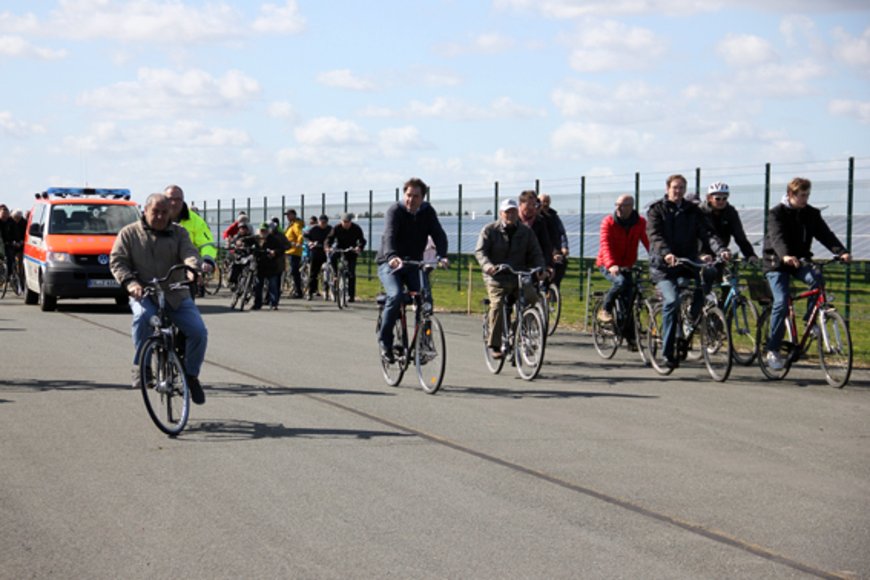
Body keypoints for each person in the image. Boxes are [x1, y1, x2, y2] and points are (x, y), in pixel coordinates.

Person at [109, 194, 208, 404]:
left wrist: (192, 269)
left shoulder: (179, 233)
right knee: (144, 317)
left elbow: (190, 253)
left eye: (165, 212)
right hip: (144, 293)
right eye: (156, 212)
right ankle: (142, 368)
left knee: (198, 331)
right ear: (145, 210)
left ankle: (190, 376)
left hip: (175, 293)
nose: (161, 216)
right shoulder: (129, 233)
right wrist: (130, 283)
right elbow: (118, 261)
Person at [762, 177, 850, 370]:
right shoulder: (776, 213)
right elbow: (777, 238)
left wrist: (841, 252)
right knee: (782, 301)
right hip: (777, 263)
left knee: (817, 279)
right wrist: (785, 256)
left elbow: (825, 235)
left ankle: (810, 323)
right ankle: (773, 349)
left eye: (807, 195)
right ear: (791, 194)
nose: (805, 199)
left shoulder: (811, 214)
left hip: (799, 261)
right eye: (802, 195)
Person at [647, 174, 730, 369]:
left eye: (682, 188)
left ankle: (693, 317)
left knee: (709, 274)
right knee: (672, 301)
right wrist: (666, 254)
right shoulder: (656, 210)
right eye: (675, 187)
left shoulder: (692, 210)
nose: (678, 191)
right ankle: (667, 353)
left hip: (687, 262)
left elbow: (707, 233)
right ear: (668, 188)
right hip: (663, 267)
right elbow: (655, 235)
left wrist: (721, 250)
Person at [377, 177, 449, 362]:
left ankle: (423, 343)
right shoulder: (395, 211)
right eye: (408, 195)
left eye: (416, 196)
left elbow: (439, 234)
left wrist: (442, 255)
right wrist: (392, 257)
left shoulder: (427, 212)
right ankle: (385, 341)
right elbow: (389, 235)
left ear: (422, 198)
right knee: (395, 295)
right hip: (390, 263)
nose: (411, 199)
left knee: (426, 299)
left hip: (414, 264)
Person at [475, 198, 545, 359]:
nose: (511, 215)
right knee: (498, 304)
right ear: (501, 213)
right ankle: (495, 344)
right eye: (507, 212)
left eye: (513, 211)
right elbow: (480, 252)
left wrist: (540, 268)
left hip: (518, 275)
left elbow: (536, 252)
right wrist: (489, 266)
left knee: (532, 299)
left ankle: (521, 329)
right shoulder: (489, 230)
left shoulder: (526, 232)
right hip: (496, 277)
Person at [595, 194, 650, 341]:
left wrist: (658, 259)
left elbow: (648, 242)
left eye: (623, 205)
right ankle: (605, 308)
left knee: (629, 298)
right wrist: (611, 264)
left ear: (631, 207)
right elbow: (605, 245)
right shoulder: (609, 222)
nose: (618, 208)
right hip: (607, 263)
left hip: (627, 264)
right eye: (617, 204)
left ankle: (630, 336)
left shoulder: (640, 223)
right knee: (620, 282)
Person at [699, 181, 759, 297]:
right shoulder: (701, 212)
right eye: (718, 198)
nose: (721, 201)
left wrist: (750, 254)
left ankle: (720, 313)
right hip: (701, 251)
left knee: (726, 287)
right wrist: (720, 250)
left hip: (721, 252)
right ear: (709, 198)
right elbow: (708, 235)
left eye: (725, 198)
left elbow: (739, 236)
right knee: (707, 281)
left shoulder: (730, 212)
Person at [163, 185, 217, 275]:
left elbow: (206, 244)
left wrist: (207, 260)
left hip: (189, 268)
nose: (173, 203)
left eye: (178, 199)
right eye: (170, 199)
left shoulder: (195, 220)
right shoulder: (156, 217)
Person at [326, 212, 367, 302]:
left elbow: (362, 240)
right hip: (339, 248)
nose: (345, 224)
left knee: (351, 273)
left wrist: (359, 247)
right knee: (332, 257)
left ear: (350, 222)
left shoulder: (356, 228)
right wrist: (328, 247)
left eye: (347, 222)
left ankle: (351, 296)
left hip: (351, 250)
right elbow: (330, 239)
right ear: (341, 221)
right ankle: (336, 274)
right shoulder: (336, 228)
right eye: (344, 221)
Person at [518, 190, 556, 274]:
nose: (531, 208)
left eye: (534, 205)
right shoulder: (513, 220)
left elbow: (545, 245)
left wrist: (548, 265)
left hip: (533, 262)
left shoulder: (540, 221)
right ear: (520, 204)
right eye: (528, 205)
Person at [252, 222, 290, 310]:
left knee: (273, 285)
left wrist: (275, 252)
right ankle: (257, 304)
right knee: (258, 286)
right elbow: (246, 240)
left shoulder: (274, 239)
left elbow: (282, 249)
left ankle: (274, 304)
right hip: (259, 265)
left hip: (271, 265)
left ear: (268, 231)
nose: (263, 232)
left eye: (265, 231)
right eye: (261, 230)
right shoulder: (256, 238)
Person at [539, 194, 569, 287]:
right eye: (543, 201)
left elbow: (561, 232)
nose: (545, 204)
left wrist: (564, 246)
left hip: (553, 248)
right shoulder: (536, 217)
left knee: (561, 262)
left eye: (547, 201)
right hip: (539, 248)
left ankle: (554, 286)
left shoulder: (554, 217)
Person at [303, 214, 331, 300]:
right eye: (321, 222)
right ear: (318, 222)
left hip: (326, 252)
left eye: (325, 222)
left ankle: (327, 290)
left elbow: (334, 238)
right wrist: (310, 242)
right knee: (313, 273)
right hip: (315, 251)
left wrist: (331, 246)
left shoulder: (330, 229)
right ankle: (311, 291)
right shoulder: (313, 229)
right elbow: (305, 237)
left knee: (328, 271)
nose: (323, 224)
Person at [283, 209, 305, 298]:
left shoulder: (296, 224)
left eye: (289, 215)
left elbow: (300, 234)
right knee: (291, 271)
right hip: (288, 250)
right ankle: (294, 289)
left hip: (294, 251)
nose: (287, 217)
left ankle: (298, 291)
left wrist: (299, 243)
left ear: (294, 215)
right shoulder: (291, 224)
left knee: (294, 272)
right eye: (287, 215)